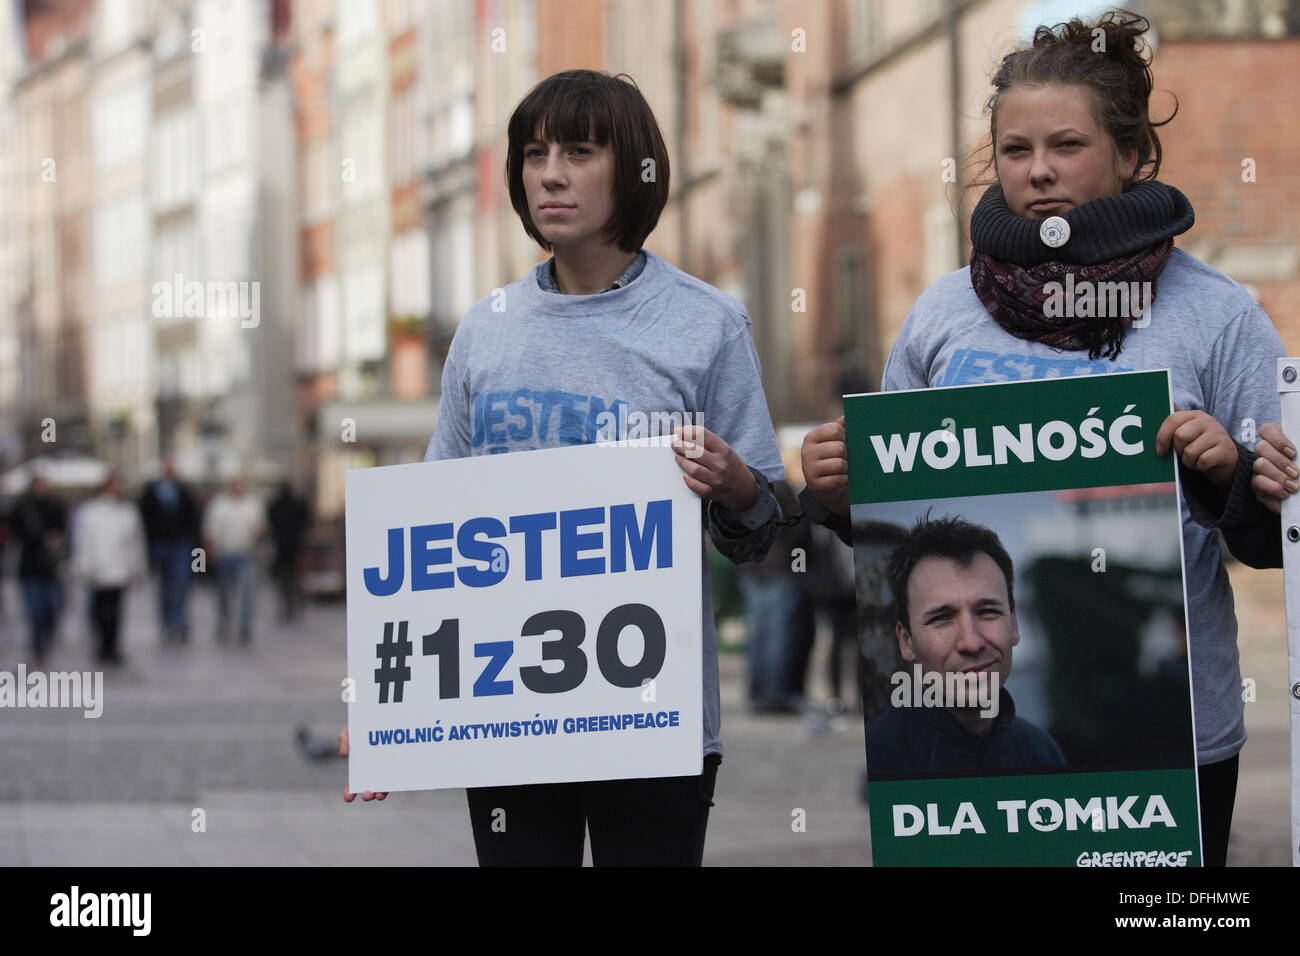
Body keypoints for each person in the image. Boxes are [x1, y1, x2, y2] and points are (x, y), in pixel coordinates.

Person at [799, 11, 1284, 866]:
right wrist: (840, 496)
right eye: (1016, 151)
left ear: (1131, 156)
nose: (1040, 171)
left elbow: (1282, 534)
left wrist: (1235, 471)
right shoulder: (943, 313)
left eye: (1066, 145)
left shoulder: (1215, 315)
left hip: (1172, 742)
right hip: (955, 770)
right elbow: (900, 523)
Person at [339, 69, 785, 867]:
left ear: (635, 169)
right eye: (534, 153)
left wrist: (739, 486)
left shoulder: (707, 325)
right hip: (511, 714)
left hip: (653, 713)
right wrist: (384, 708)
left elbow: (767, 539)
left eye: (579, 152)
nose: (549, 173)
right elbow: (431, 537)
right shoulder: (486, 332)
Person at [865, 516, 1065, 775]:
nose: (971, 642)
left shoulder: (1043, 753)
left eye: (987, 612)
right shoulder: (874, 761)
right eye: (942, 618)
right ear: (906, 640)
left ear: (1014, 625)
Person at [71, 471, 147, 666]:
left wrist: (137, 566)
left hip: (120, 568)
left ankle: (112, 646)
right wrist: (83, 566)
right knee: (99, 609)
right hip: (97, 569)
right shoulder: (90, 512)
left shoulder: (128, 512)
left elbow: (136, 542)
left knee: (115, 610)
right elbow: (82, 540)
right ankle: (102, 644)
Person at [138, 457, 202, 643]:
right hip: (160, 544)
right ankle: (167, 623)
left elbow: (194, 519)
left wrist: (197, 553)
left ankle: (179, 622)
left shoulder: (184, 492)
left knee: (180, 584)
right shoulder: (151, 492)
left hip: (181, 544)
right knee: (164, 587)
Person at [10, 474, 68, 666]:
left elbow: (64, 531)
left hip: (50, 567)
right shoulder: (23, 507)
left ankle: (46, 639)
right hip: (30, 569)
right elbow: (15, 533)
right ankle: (37, 648)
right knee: (35, 611)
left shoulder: (56, 505)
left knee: (51, 609)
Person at [203, 476, 264, 644]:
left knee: (247, 591)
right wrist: (209, 552)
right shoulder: (219, 505)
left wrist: (257, 534)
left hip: (246, 554)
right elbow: (210, 530)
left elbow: (260, 527)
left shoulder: (252, 504)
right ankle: (224, 620)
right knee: (223, 592)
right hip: (225, 554)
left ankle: (244, 626)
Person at [266, 482, 309, 624]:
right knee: (292, 577)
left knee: (284, 579)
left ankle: (288, 603)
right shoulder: (296, 505)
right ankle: (293, 602)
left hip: (282, 548)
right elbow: (306, 521)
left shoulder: (275, 506)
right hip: (294, 547)